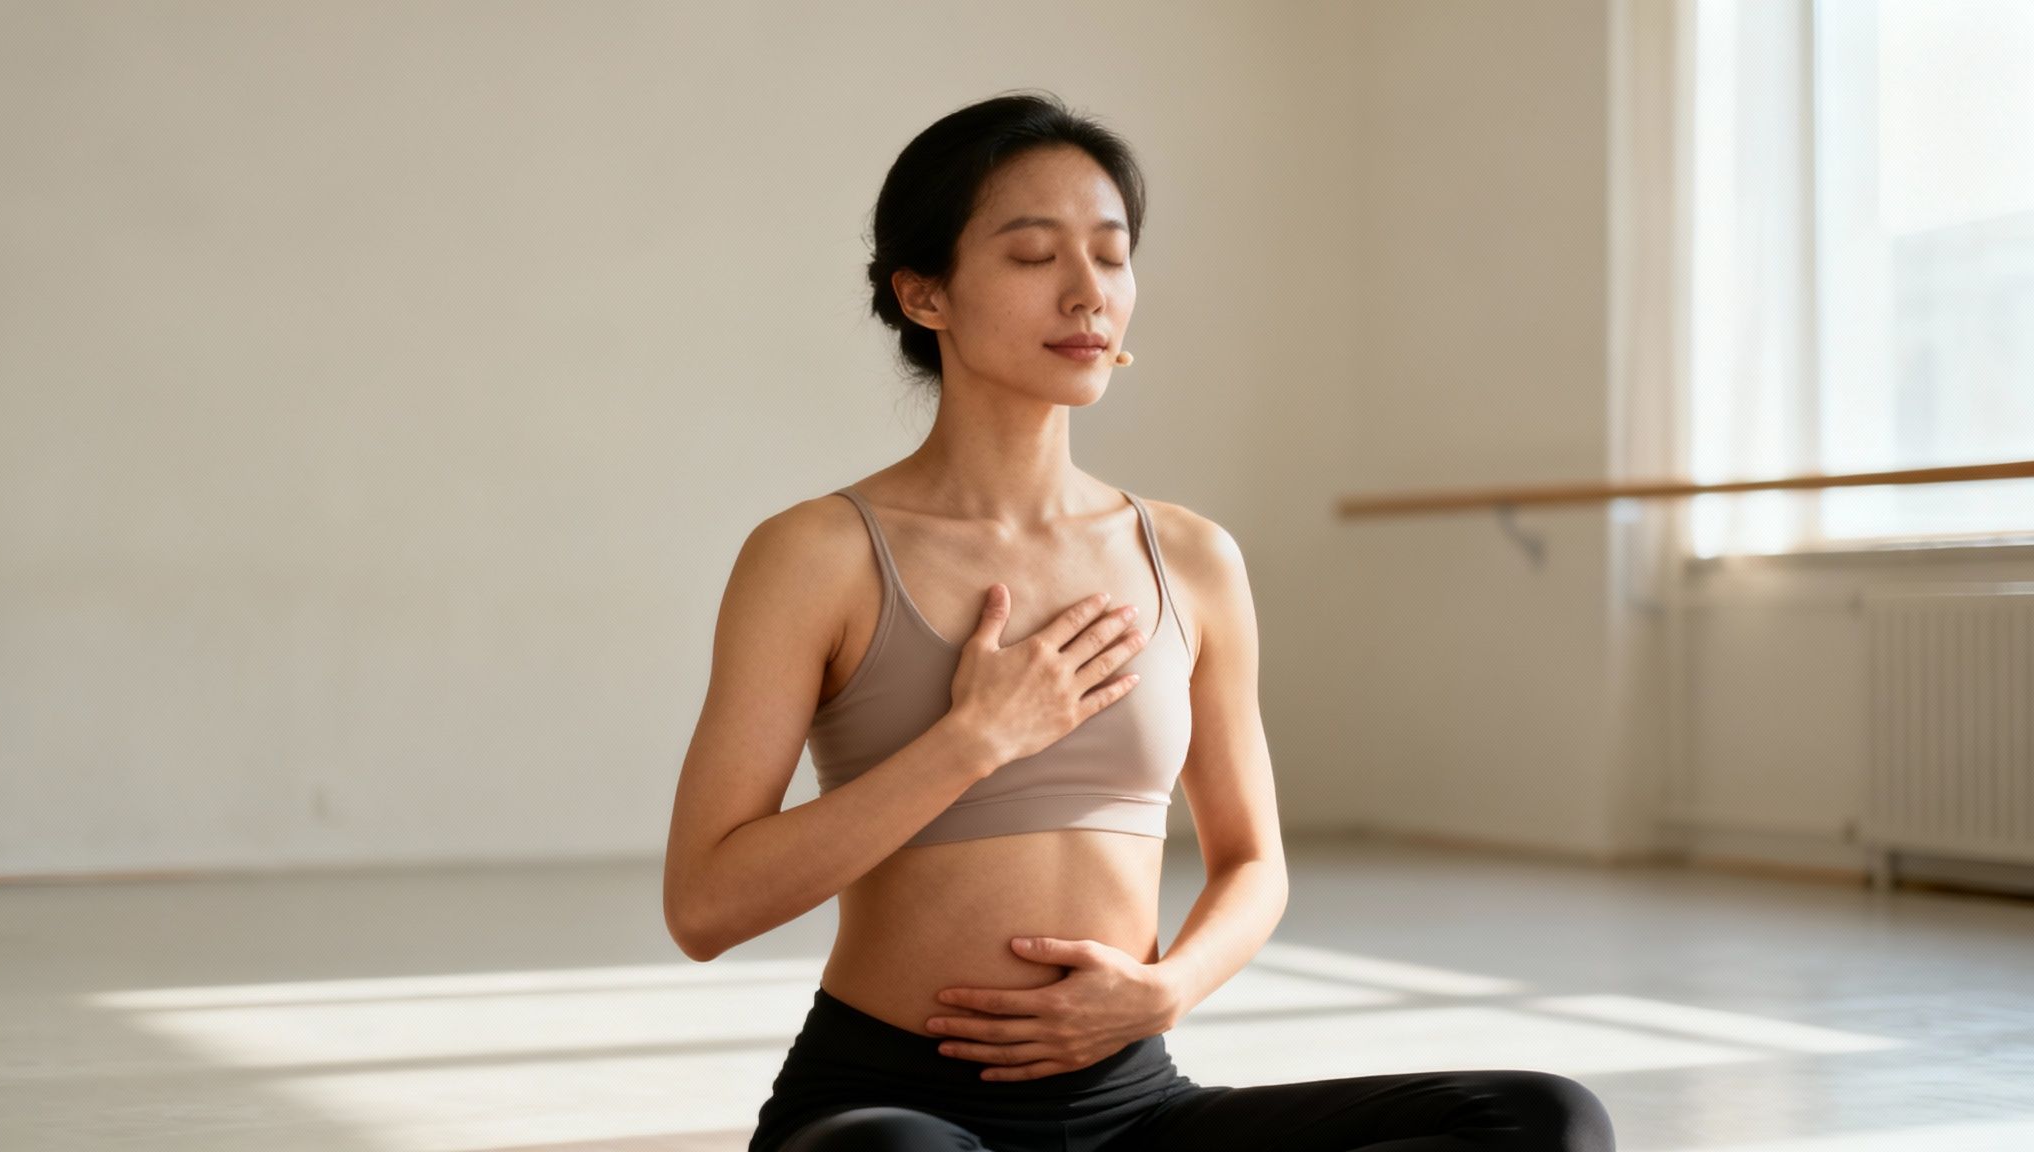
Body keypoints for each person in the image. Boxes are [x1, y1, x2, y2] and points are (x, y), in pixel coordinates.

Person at [663, 90, 1616, 1152]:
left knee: (1540, 1121)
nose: (1086, 293)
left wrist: (1164, 994)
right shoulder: (816, 555)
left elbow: (1252, 860)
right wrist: (973, 741)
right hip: (896, 1108)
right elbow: (704, 907)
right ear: (924, 292)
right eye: (1033, 257)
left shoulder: (1192, 558)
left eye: (1110, 256)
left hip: (1135, 1110)